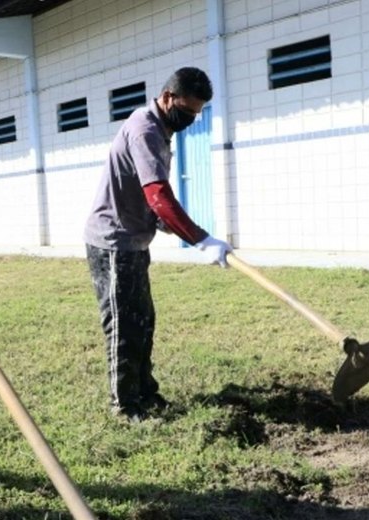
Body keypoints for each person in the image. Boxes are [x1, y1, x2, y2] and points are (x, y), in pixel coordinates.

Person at [83, 67, 232, 424]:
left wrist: (163, 220)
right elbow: (158, 194)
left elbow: (149, 198)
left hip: (133, 240)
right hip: (113, 242)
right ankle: (124, 406)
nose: (191, 119)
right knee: (123, 324)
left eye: (197, 114)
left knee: (144, 320)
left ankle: (145, 392)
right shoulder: (145, 129)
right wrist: (200, 238)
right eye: (187, 111)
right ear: (167, 97)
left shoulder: (161, 129)